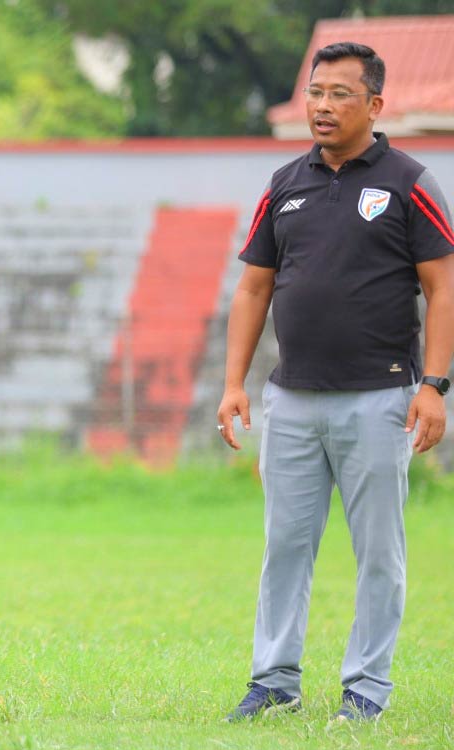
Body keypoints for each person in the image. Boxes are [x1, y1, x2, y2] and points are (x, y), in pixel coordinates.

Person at [217, 42, 454, 723]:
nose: (322, 106)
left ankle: (366, 691)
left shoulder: (409, 182)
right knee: (285, 547)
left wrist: (433, 384)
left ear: (375, 105)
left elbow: (443, 289)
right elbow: (253, 287)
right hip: (291, 399)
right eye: (316, 92)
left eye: (340, 94)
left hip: (380, 399)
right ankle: (274, 682)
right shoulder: (285, 183)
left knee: (379, 553)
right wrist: (235, 382)